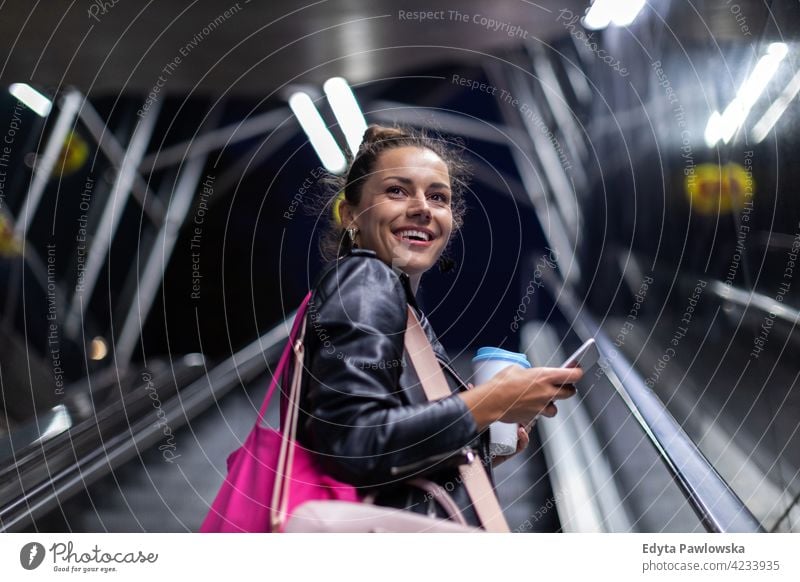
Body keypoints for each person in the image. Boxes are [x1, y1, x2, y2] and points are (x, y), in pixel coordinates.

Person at [297, 124, 581, 528]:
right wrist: (490, 401)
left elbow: (388, 446)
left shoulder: (397, 299)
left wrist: (483, 442)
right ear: (350, 215)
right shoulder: (367, 281)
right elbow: (354, 441)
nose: (422, 208)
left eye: (438, 197)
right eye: (397, 190)